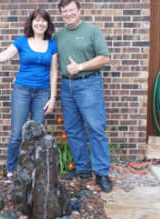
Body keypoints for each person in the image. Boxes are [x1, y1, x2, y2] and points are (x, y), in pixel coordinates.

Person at [0, 9, 58, 183]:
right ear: (31, 23)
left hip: (42, 93)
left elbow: (53, 73)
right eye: (36, 20)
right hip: (22, 91)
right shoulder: (21, 41)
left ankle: (32, 169)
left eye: (43, 20)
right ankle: (11, 170)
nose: (40, 23)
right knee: (16, 134)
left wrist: (52, 97)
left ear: (48, 24)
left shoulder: (52, 45)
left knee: (36, 134)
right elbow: (0, 58)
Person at [53, 0, 112, 192]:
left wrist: (80, 66)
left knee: (95, 128)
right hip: (67, 86)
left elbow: (104, 57)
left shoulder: (91, 31)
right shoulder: (58, 36)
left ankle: (102, 173)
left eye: (71, 10)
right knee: (73, 129)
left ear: (79, 10)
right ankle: (83, 169)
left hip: (89, 84)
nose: (68, 14)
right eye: (64, 11)